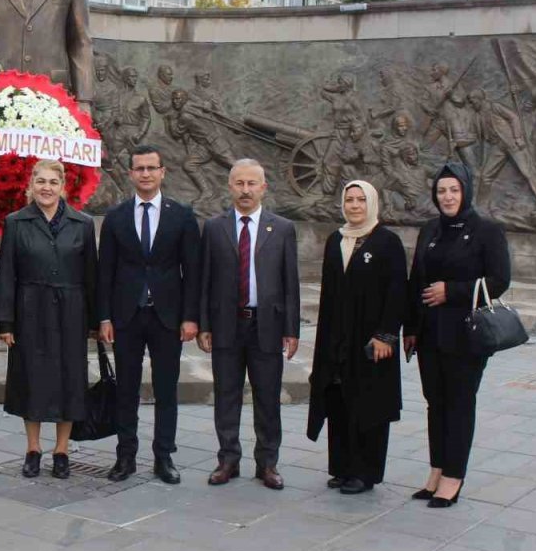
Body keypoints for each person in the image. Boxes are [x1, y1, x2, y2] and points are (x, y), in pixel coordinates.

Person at [404, 162, 511, 508]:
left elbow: (499, 280)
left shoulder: (487, 231)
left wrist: (452, 291)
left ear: (465, 191)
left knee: (460, 404)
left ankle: (453, 477)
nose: (447, 197)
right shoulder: (430, 229)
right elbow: (415, 280)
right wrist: (410, 328)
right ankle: (436, 471)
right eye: (441, 191)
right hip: (430, 335)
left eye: (453, 190)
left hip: (466, 335)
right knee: (435, 403)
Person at [97, 145, 201, 484]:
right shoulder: (116, 216)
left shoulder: (181, 215)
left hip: (167, 317)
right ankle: (125, 457)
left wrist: (190, 317)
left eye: (151, 168)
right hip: (126, 317)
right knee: (126, 390)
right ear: (131, 173)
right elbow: (105, 272)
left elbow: (193, 271)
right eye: (139, 168)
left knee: (166, 390)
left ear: (162, 172)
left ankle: (163, 457)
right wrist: (104, 318)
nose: (145, 174)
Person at [198, 158, 300, 490]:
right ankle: (228, 460)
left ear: (263, 188)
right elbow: (205, 280)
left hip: (266, 327)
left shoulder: (282, 228)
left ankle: (267, 463)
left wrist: (291, 329)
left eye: (252, 183)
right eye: (239, 183)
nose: (245, 190)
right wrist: (204, 324)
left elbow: (290, 282)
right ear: (230, 186)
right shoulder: (214, 228)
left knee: (267, 397)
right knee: (226, 395)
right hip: (227, 325)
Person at [0, 159, 98, 479]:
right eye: (41, 181)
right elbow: (6, 274)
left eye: (53, 182)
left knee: (70, 380)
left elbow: (91, 276)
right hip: (30, 312)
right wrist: (5, 322)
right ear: (31, 185)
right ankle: (33, 448)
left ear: (63, 186)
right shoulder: (16, 222)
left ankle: (62, 450)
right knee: (32, 380)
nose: (47, 188)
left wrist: (95, 321)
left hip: (70, 312)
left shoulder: (82, 223)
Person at [307, 181, 405, 495]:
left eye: (361, 200)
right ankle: (342, 467)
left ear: (372, 203)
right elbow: (329, 293)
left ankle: (365, 472)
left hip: (371, 342)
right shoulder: (336, 239)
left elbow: (397, 293)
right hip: (337, 338)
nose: (355, 205)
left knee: (369, 405)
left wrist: (386, 336)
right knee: (338, 401)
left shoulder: (388, 242)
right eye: (349, 199)